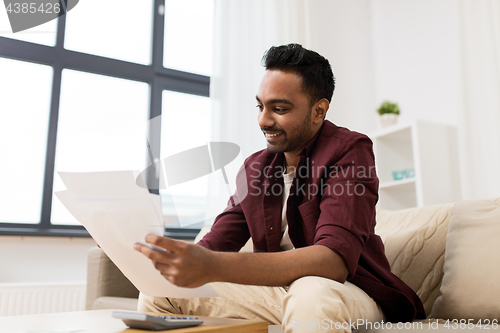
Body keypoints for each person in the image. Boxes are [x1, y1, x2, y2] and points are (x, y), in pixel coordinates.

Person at [134, 43, 425, 333]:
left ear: (318, 110)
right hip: (282, 291)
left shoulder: (349, 150)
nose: (263, 120)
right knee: (161, 290)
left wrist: (213, 266)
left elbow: (333, 261)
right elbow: (215, 244)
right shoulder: (254, 168)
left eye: (279, 108)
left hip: (349, 291)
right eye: (260, 106)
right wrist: (158, 254)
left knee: (311, 293)